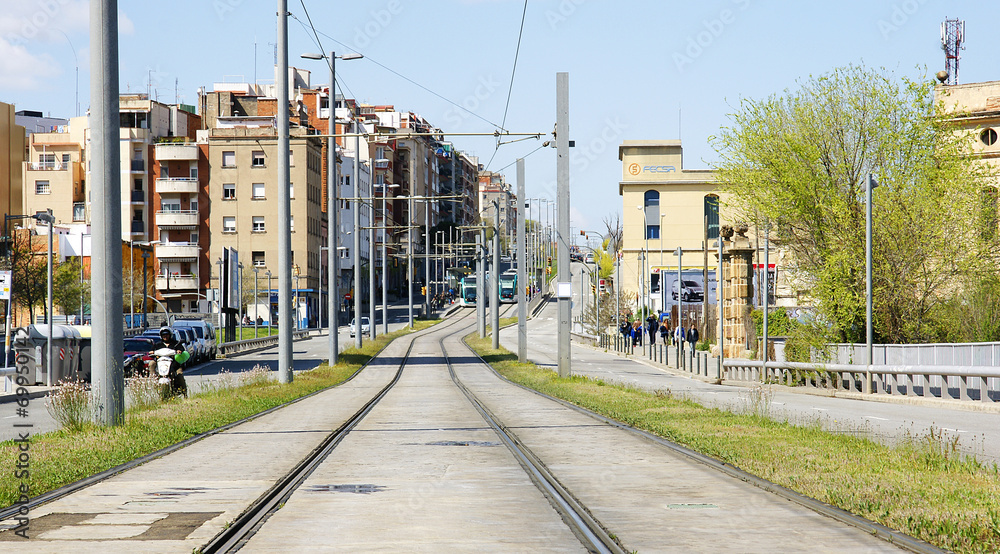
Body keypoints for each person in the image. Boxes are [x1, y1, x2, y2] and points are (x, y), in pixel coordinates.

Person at [151, 327, 188, 398]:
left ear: (170, 335)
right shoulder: (158, 345)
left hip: (174, 365)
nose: (165, 336)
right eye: (163, 335)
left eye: (167, 334)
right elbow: (152, 351)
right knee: (151, 363)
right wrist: (152, 352)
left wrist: (179, 351)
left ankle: (184, 392)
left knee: (180, 375)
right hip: (161, 364)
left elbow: (181, 349)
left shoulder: (176, 343)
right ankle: (154, 377)